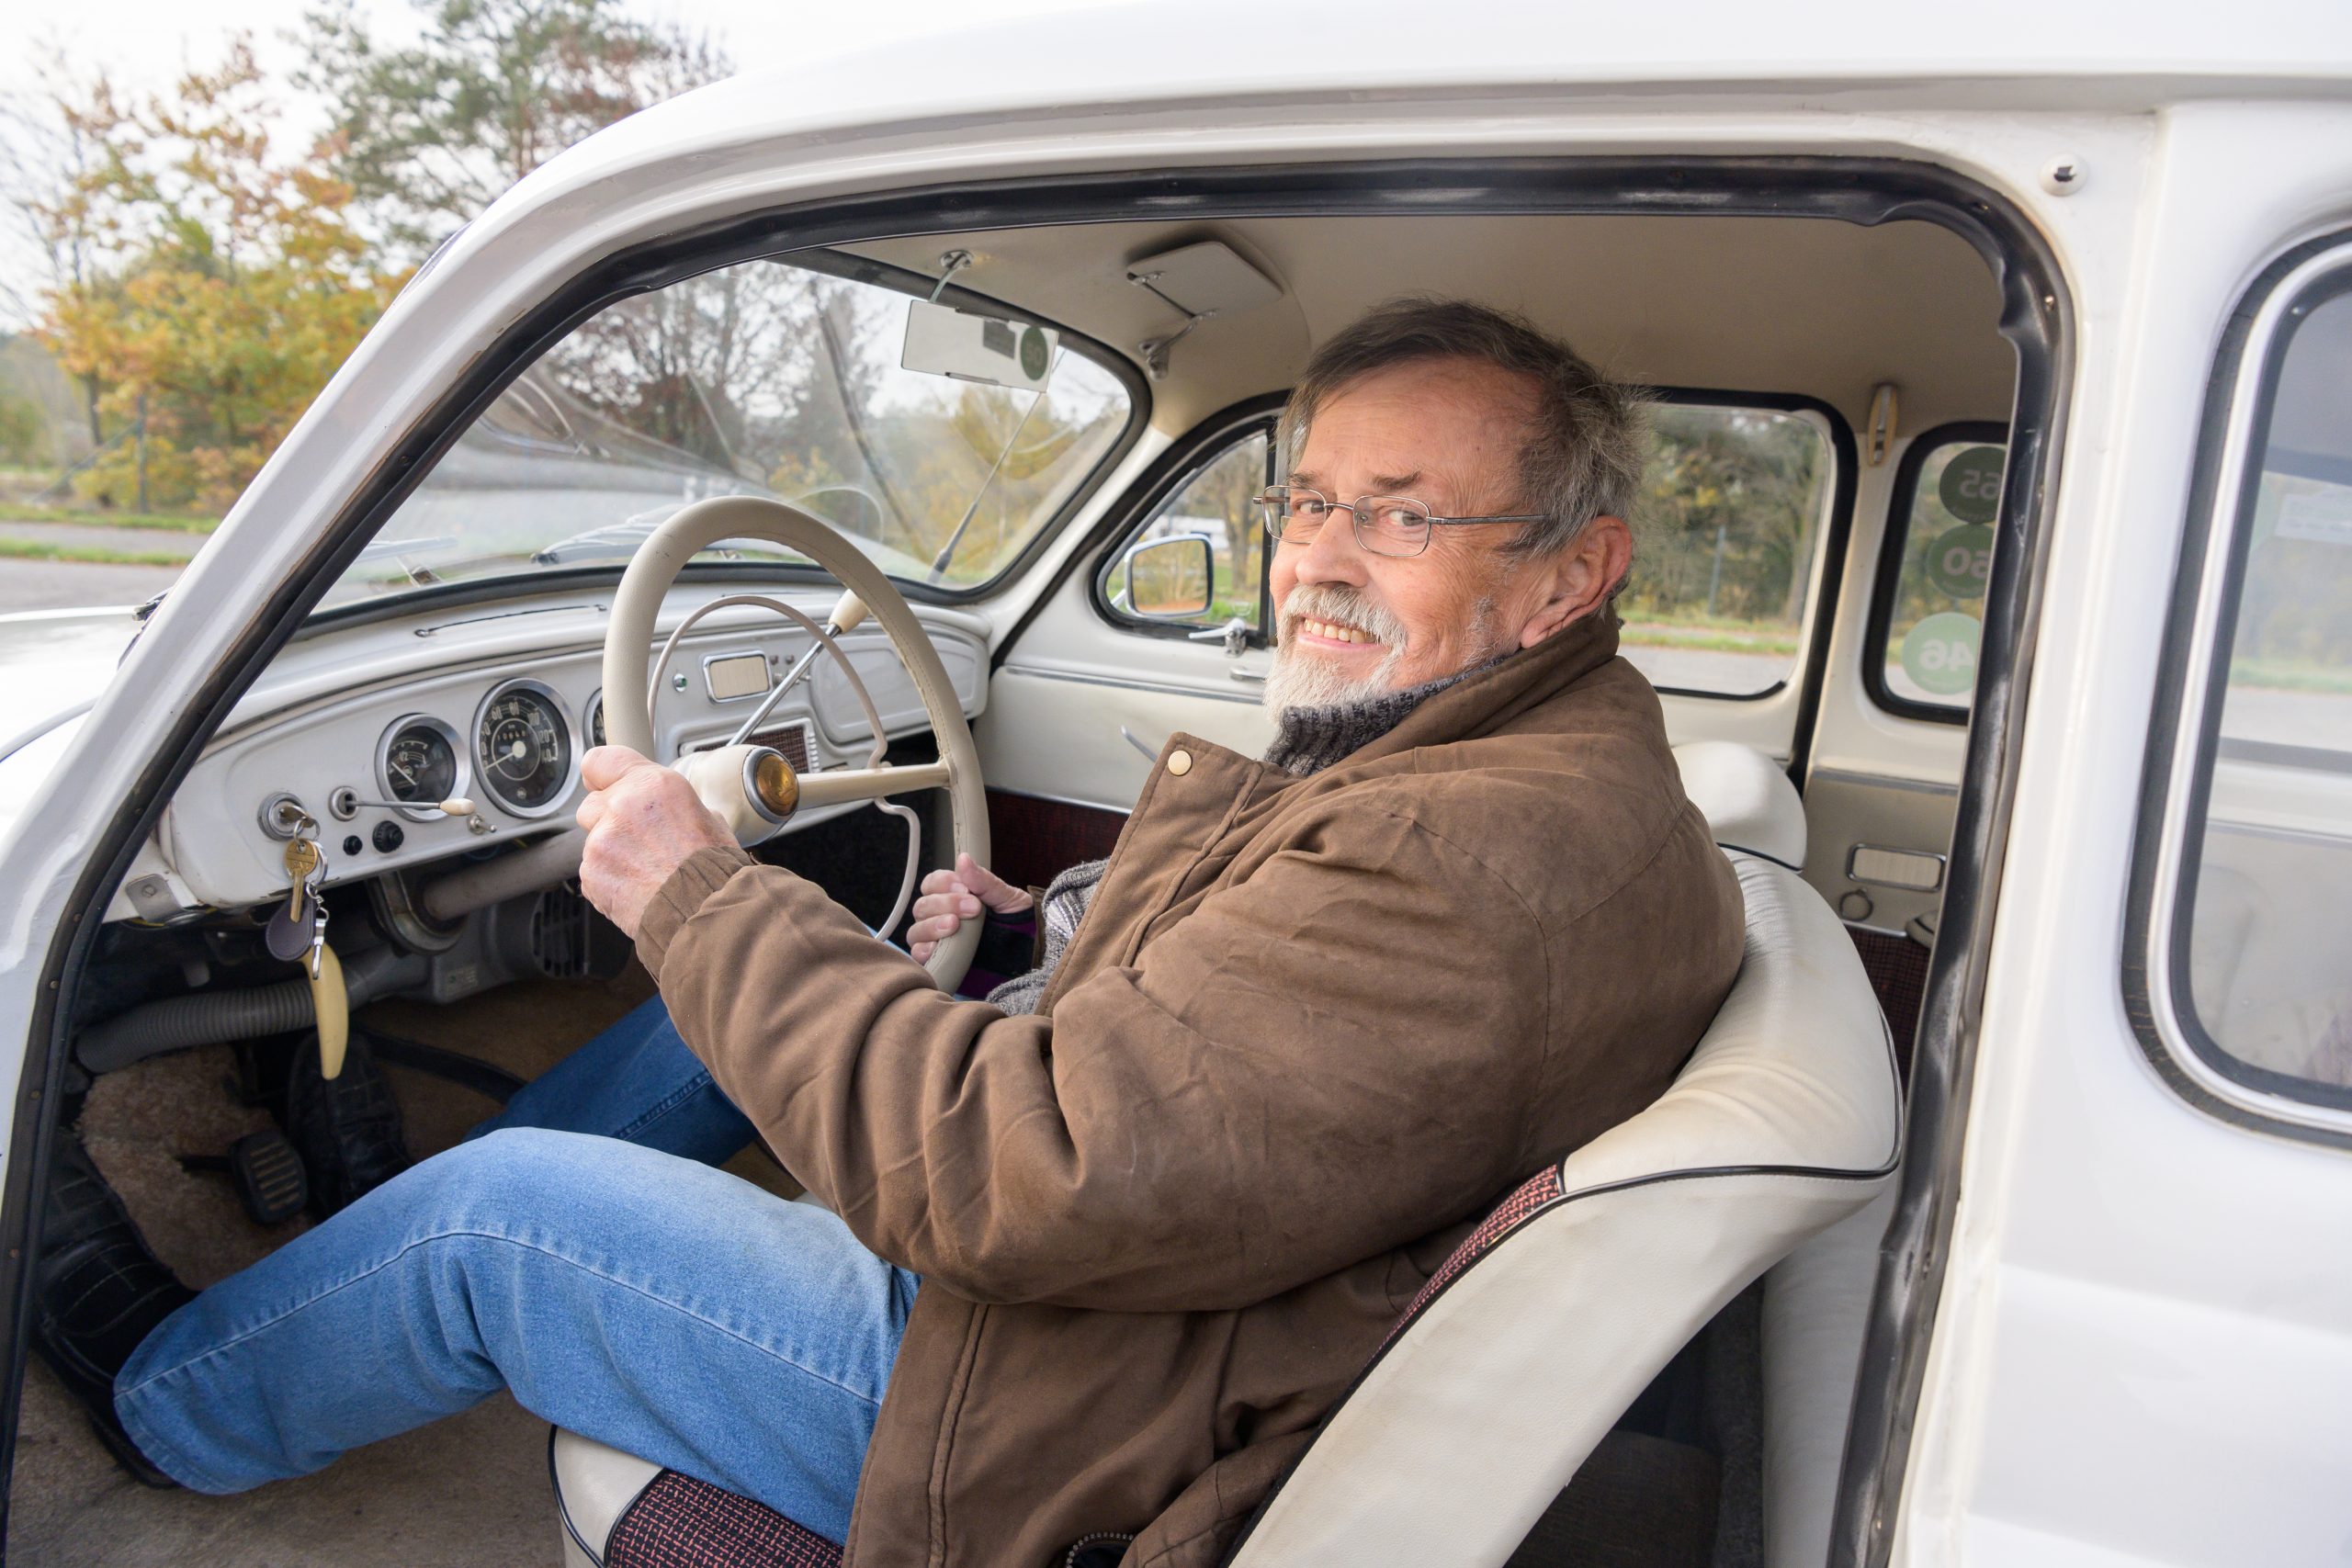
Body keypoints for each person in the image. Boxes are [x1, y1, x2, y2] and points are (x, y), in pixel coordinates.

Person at [35, 299, 1746, 1567]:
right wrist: (1043, 947)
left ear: (1568, 575)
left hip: (1040, 1416)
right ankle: (347, 1251)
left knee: (499, 1216)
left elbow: (1028, 1176)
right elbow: (1272, 1035)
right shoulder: (1545, 775)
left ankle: (161, 1408)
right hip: (1167, 1321)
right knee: (724, 1013)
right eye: (1309, 502)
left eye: (1403, 513)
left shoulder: (1472, 860)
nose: (1319, 560)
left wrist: (694, 884)